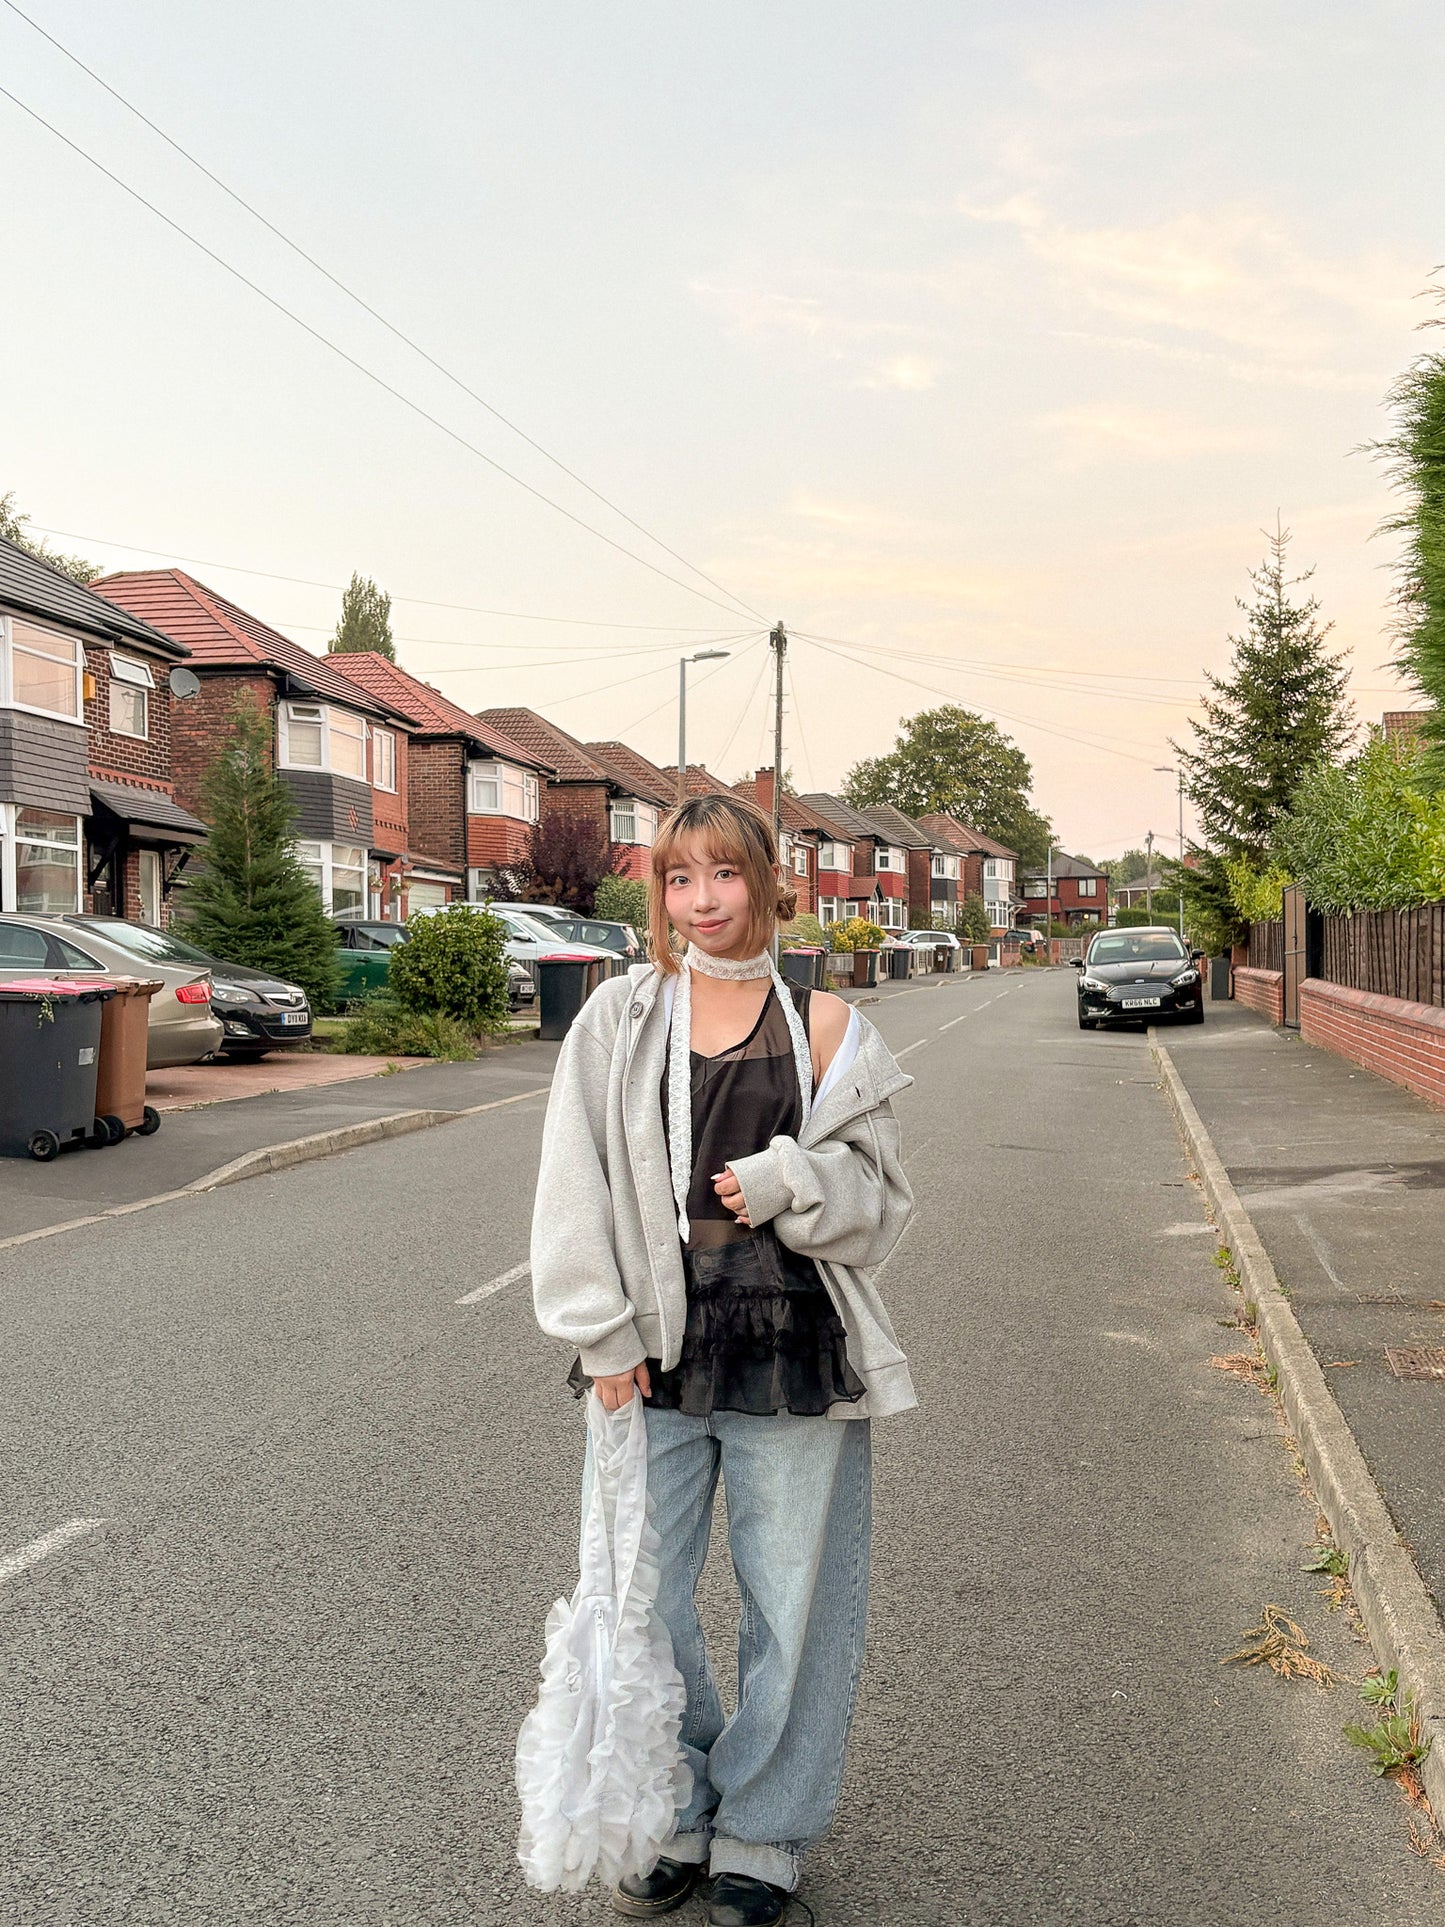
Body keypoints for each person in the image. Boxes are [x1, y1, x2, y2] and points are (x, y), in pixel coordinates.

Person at [530, 792, 917, 1927]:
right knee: (636, 1593)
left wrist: (791, 1179)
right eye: (677, 879)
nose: (699, 902)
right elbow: (573, 1182)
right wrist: (598, 1331)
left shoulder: (829, 1026)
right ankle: (679, 1802)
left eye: (722, 875)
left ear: (765, 878)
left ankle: (762, 1829)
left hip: (793, 1351)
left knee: (791, 1605)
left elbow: (882, 1205)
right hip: (647, 1358)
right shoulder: (616, 1018)